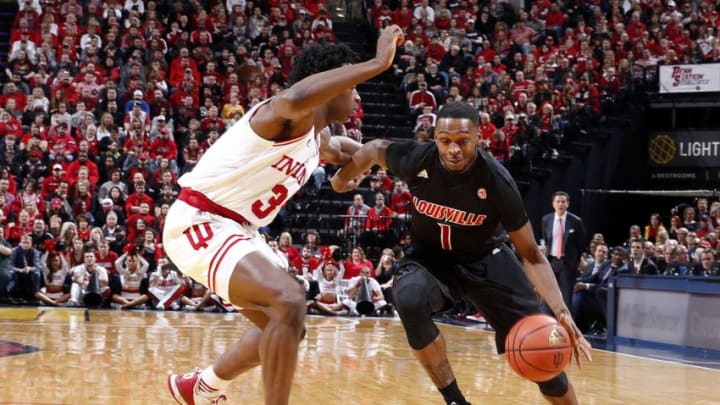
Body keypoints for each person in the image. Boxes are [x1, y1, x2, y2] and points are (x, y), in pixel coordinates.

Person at [162, 25, 404, 405]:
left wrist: (376, 157)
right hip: (201, 218)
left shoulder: (317, 139)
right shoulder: (284, 112)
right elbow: (299, 95)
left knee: (288, 325)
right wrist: (377, 62)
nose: (356, 94)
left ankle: (201, 387)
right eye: (351, 83)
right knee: (288, 302)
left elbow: (347, 158)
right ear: (331, 81)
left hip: (238, 229)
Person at [331, 102, 591, 405]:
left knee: (541, 353)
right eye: (445, 141)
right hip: (430, 260)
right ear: (435, 138)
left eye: (462, 141)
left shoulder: (497, 181)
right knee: (410, 300)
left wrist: (561, 311)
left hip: (487, 260)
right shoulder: (417, 158)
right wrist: (340, 179)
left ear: (478, 138)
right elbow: (374, 149)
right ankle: (455, 401)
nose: (453, 149)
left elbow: (531, 254)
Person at [542, 191, 586, 310]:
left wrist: (575, 262)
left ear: (568, 204)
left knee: (567, 299)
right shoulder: (546, 220)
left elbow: (581, 245)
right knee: (548, 296)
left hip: (567, 264)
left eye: (563, 202)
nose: (560, 204)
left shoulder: (576, 221)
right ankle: (548, 323)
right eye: (558, 202)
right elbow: (547, 241)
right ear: (553, 204)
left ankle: (566, 327)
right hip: (551, 262)